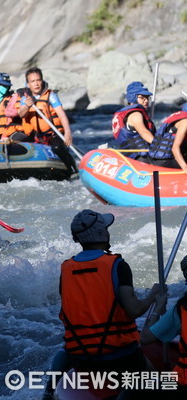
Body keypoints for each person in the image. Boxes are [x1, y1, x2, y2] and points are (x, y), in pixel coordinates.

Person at [59, 210, 161, 373]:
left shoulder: (66, 269)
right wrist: (153, 296)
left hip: (80, 357)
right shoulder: (117, 265)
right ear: (100, 232)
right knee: (158, 383)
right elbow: (134, 310)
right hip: (119, 356)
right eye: (106, 229)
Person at [140, 255, 187, 398]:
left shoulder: (182, 309)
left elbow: (145, 338)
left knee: (133, 388)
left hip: (182, 386)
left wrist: (158, 308)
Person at [17, 67, 76, 172]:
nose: (36, 84)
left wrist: (67, 132)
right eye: (33, 81)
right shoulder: (25, 99)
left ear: (42, 81)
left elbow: (61, 115)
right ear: (28, 84)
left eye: (38, 80)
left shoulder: (51, 96)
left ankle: (72, 170)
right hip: (35, 136)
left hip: (53, 134)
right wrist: (26, 106)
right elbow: (21, 114)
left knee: (57, 148)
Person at [112, 81, 156, 161]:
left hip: (129, 157)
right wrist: (159, 146)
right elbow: (144, 132)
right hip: (140, 158)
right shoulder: (135, 114)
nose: (146, 101)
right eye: (142, 98)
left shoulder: (124, 113)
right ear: (133, 97)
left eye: (147, 98)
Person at [148, 103, 187, 170]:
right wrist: (185, 168)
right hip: (165, 160)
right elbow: (175, 148)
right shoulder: (185, 122)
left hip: (161, 158)